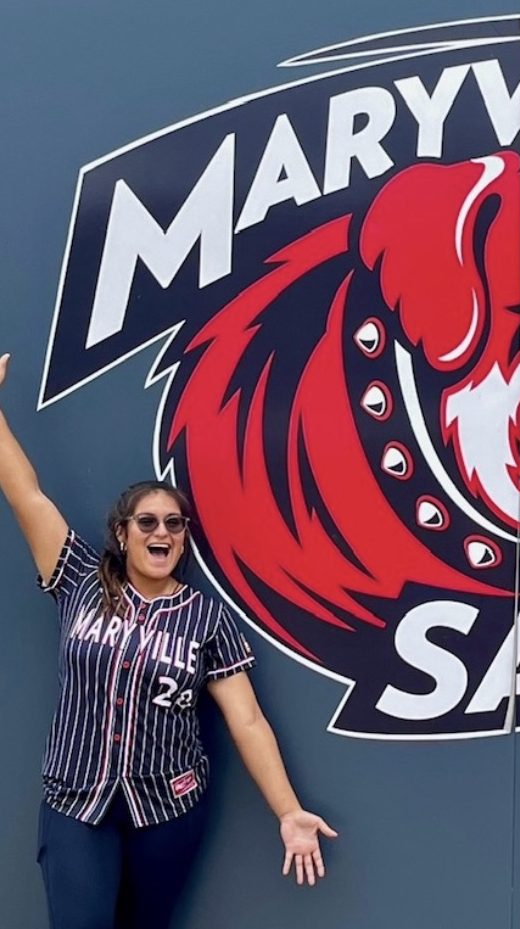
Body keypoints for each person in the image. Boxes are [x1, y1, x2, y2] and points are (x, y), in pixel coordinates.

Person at [0, 353, 337, 929]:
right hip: (77, 800)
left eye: (174, 524)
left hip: (166, 809)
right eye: (148, 522)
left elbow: (247, 720)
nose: (162, 532)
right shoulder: (80, 578)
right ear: (122, 533)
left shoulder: (206, 618)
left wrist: (288, 812)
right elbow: (27, 495)